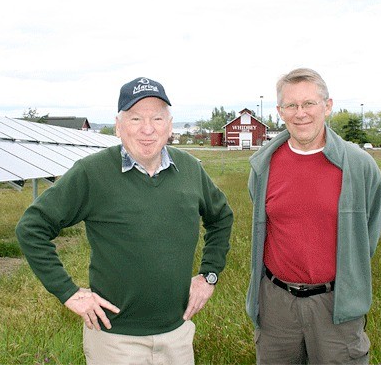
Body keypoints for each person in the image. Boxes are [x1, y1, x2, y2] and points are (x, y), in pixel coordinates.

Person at [16, 77, 233, 365]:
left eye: (157, 118)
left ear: (169, 126)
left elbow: (221, 218)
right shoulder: (92, 173)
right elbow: (32, 227)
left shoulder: (190, 169)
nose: (147, 129)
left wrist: (209, 275)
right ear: (119, 125)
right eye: (135, 118)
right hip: (115, 340)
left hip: (177, 335)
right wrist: (68, 292)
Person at [245, 68, 381, 364]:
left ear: (328, 106)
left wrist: (344, 278)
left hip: (336, 305)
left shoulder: (359, 165)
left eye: (309, 103)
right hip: (276, 305)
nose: (301, 113)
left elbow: (367, 232)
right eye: (291, 106)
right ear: (279, 111)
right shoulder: (263, 166)